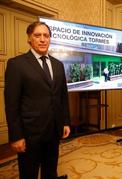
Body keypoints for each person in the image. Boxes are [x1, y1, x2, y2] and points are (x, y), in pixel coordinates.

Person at [4, 21, 70, 179]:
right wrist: (16, 136)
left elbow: (62, 96)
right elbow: (11, 104)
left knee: (50, 170)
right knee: (29, 174)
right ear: (29, 38)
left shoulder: (58, 65)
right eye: (37, 35)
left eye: (46, 35)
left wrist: (65, 121)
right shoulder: (16, 65)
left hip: (54, 130)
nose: (42, 39)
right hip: (30, 133)